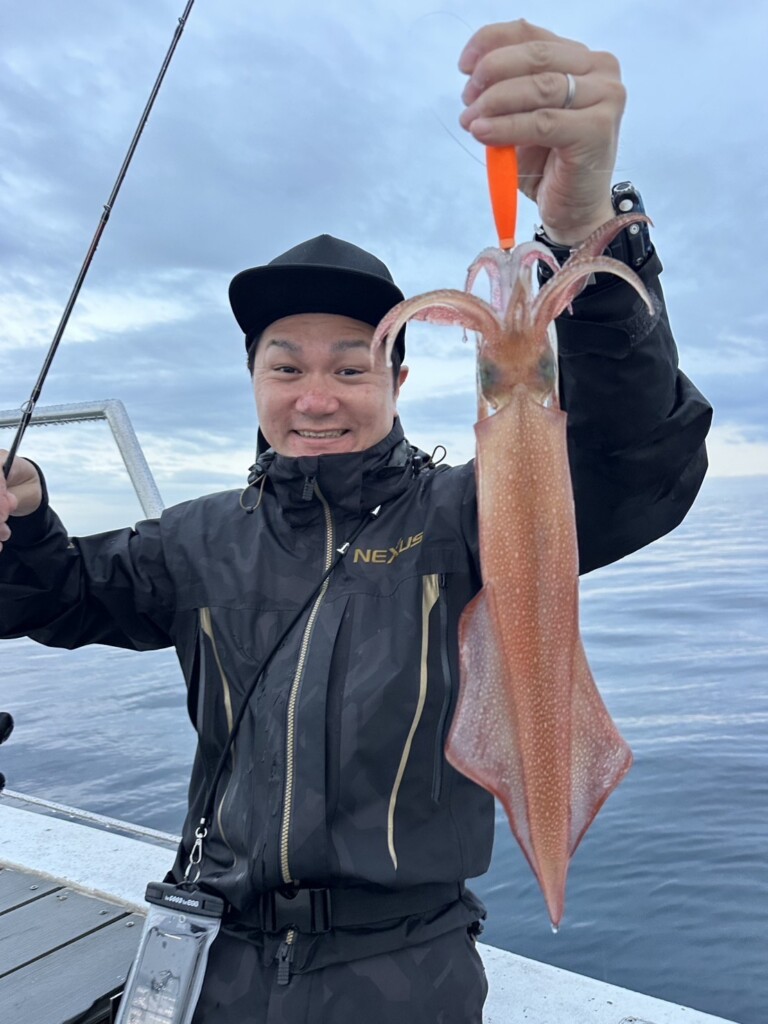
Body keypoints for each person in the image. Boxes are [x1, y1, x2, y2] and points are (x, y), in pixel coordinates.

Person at [0, 19, 711, 1024]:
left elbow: (642, 463)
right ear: (253, 381)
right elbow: (52, 597)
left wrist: (590, 225)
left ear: (399, 381)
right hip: (216, 956)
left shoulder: (465, 514)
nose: (317, 397)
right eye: (286, 366)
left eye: (351, 365)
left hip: (405, 968)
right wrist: (27, 515)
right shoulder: (194, 540)